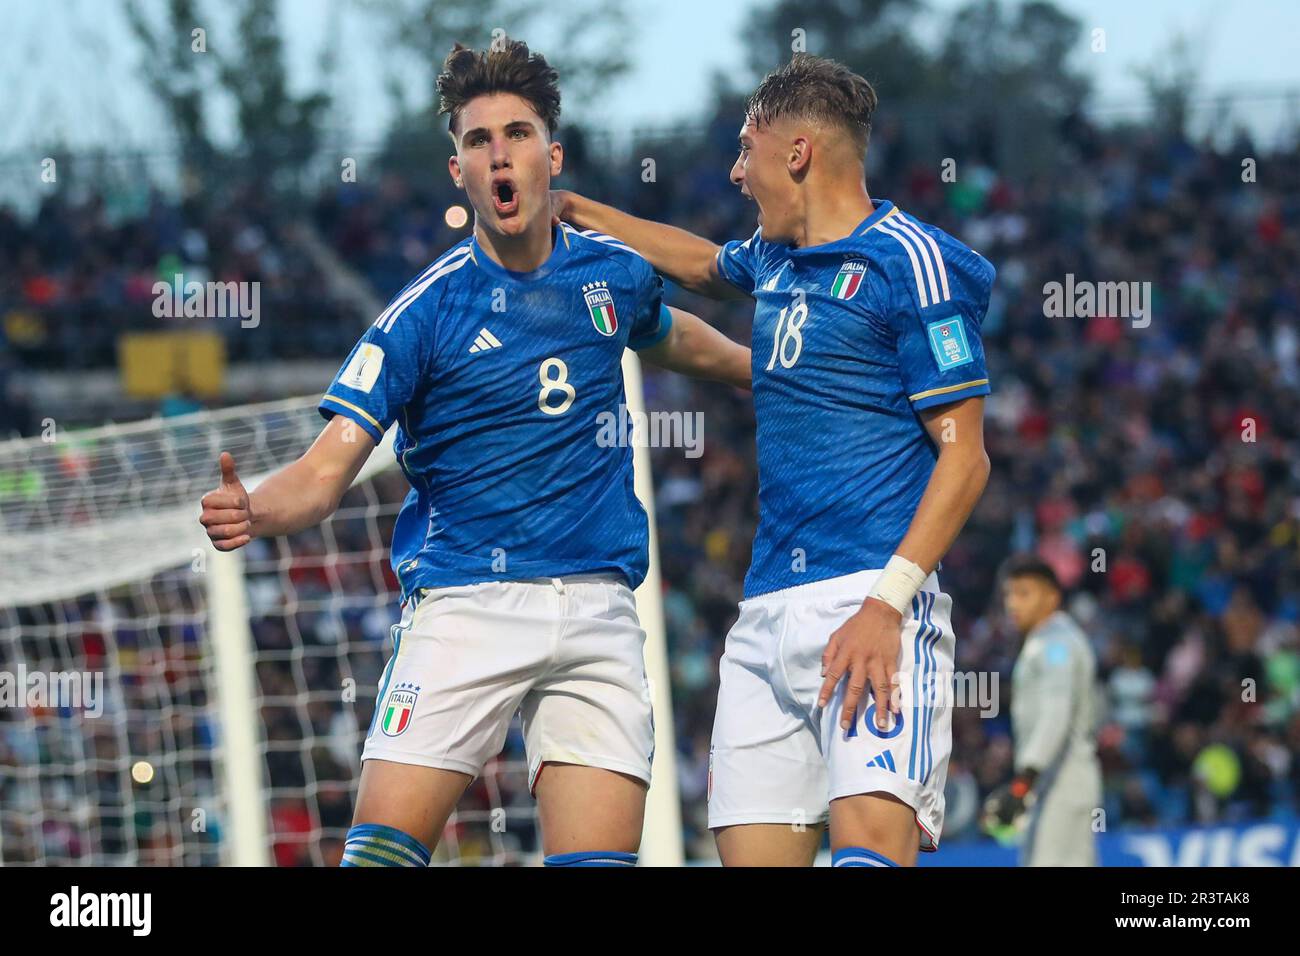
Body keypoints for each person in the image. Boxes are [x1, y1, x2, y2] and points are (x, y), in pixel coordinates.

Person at [198, 38, 750, 868]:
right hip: (466, 607)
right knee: (379, 859)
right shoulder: (422, 316)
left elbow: (676, 339)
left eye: (518, 134)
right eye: (478, 140)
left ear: (550, 156)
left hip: (600, 607)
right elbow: (323, 473)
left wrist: (773, 372)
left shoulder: (612, 276)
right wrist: (258, 508)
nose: (500, 153)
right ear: (458, 169)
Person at [553, 53, 994, 866]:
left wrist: (886, 606)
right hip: (763, 621)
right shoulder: (774, 258)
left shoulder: (912, 262)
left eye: (745, 149)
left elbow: (966, 461)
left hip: (870, 600)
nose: (734, 170)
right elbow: (696, 263)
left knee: (868, 854)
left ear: (796, 154)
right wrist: (578, 209)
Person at [983, 554, 1102, 866]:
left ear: (1052, 597)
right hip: (1049, 783)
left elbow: (1056, 713)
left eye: (1024, 593)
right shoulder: (1047, 641)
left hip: (1063, 781)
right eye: (1009, 594)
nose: (1012, 604)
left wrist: (1023, 781)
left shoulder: (1056, 645)